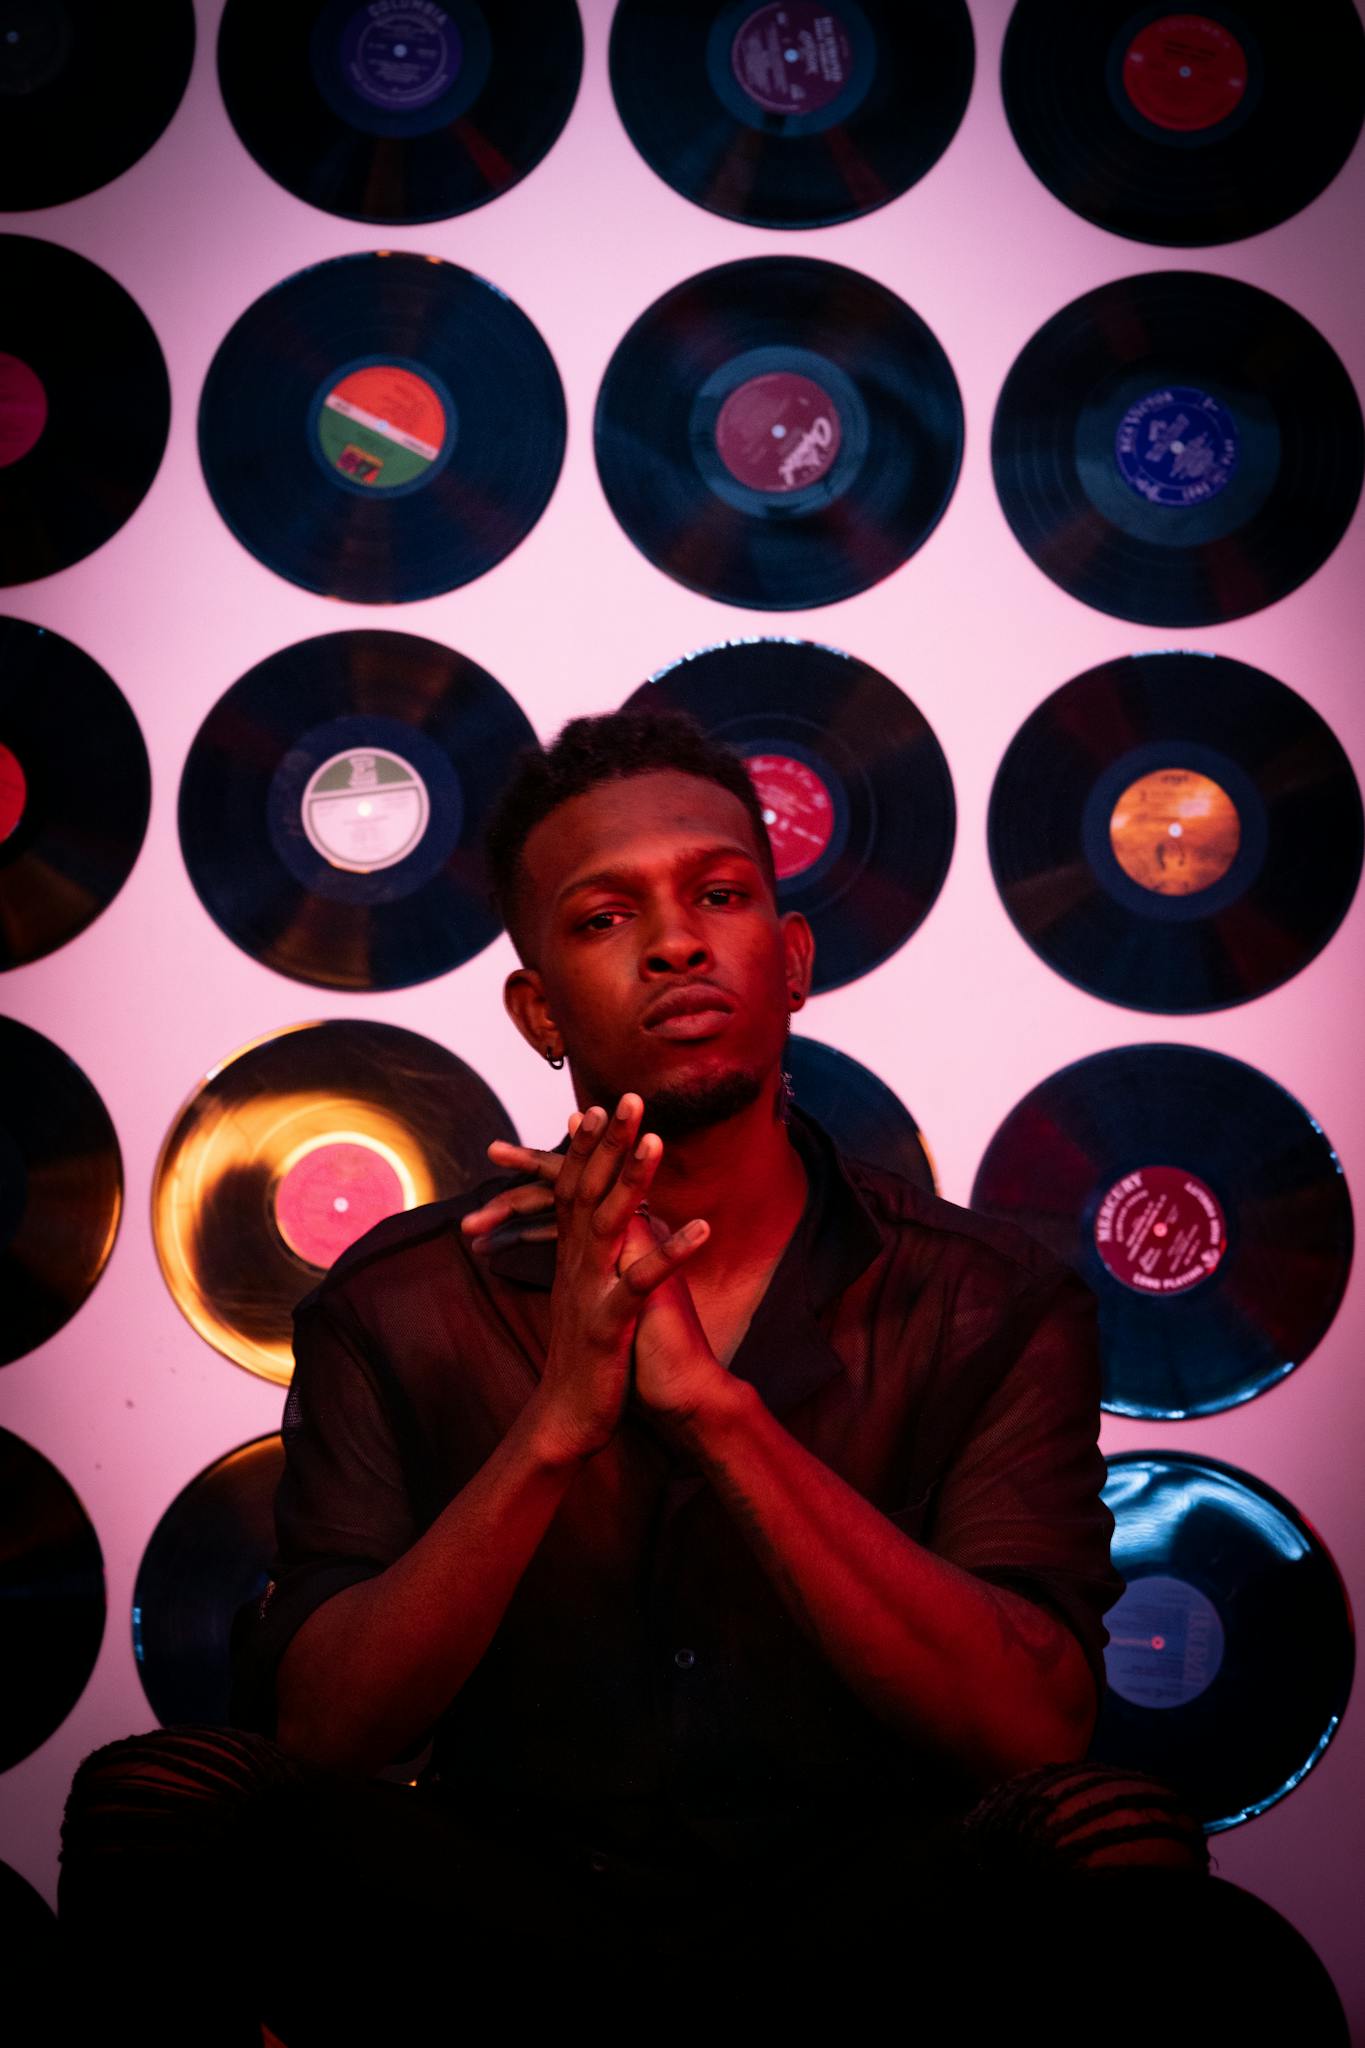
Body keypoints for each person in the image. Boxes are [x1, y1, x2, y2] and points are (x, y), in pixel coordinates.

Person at [60, 707, 1240, 2047]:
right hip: (505, 1920)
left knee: (1110, 1835)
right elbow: (320, 1732)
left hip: (857, 1929)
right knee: (160, 1804)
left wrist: (715, 1415)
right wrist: (554, 1427)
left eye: (720, 895)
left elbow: (1035, 1728)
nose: (678, 940)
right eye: (604, 917)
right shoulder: (396, 1306)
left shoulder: (986, 1302)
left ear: (788, 960)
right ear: (536, 1005)